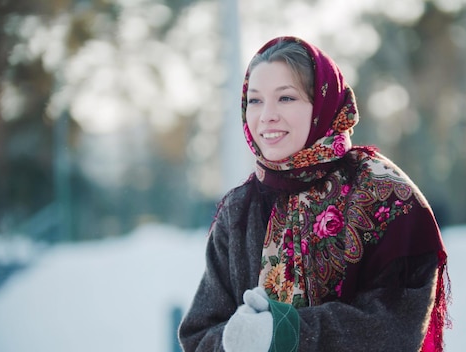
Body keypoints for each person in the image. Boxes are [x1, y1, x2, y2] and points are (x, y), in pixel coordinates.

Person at [178, 36, 450, 352]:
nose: (266, 115)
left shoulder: (386, 196)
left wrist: (285, 331)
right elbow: (198, 335)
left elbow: (395, 326)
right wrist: (236, 339)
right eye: (255, 100)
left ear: (322, 105)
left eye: (286, 98)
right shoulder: (238, 210)